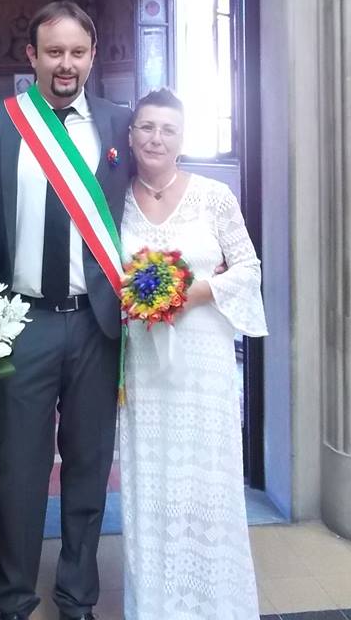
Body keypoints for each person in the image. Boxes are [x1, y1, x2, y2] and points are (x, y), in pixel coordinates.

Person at [0, 0, 132, 620]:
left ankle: (77, 597)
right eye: (54, 52)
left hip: (97, 323)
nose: (66, 64)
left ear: (92, 57)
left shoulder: (120, 124)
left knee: (90, 467)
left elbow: (150, 204)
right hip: (24, 322)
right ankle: (13, 598)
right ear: (32, 57)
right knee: (19, 471)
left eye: (77, 52)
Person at [119, 88, 268, 620]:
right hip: (144, 364)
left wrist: (191, 292)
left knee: (206, 478)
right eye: (146, 127)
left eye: (168, 129)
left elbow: (248, 267)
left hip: (203, 361)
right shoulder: (115, 200)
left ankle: (215, 603)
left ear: (182, 138)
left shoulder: (213, 196)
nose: (156, 138)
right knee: (151, 477)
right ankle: (155, 604)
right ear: (131, 135)